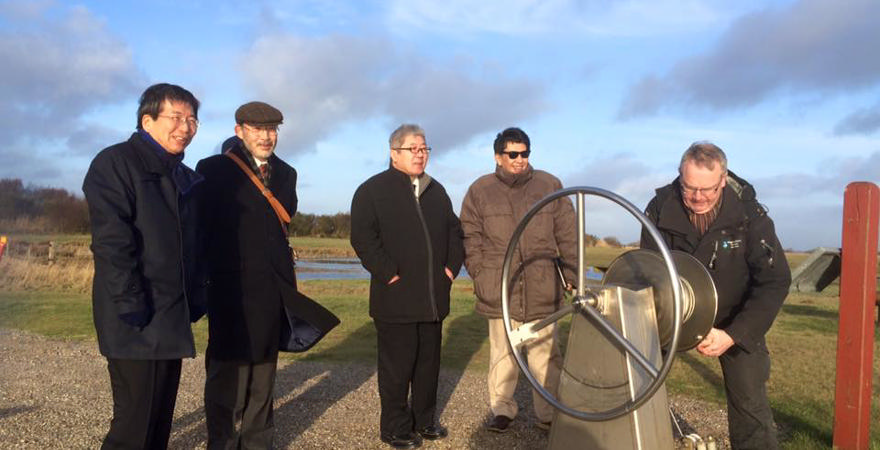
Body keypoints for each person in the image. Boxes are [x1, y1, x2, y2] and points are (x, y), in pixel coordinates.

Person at [196, 101, 338, 448]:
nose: (266, 136)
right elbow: (201, 230)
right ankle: (221, 442)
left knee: (264, 371)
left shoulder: (287, 174)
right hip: (229, 288)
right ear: (239, 131)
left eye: (272, 129)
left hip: (273, 288)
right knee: (227, 373)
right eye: (257, 129)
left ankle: (258, 442)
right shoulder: (213, 169)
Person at [641, 142, 791, 449]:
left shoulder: (751, 215)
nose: (698, 197)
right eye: (689, 188)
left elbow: (774, 281)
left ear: (723, 180)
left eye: (707, 189)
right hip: (674, 314)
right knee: (636, 379)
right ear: (680, 176)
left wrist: (734, 335)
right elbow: (648, 270)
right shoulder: (658, 208)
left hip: (735, 318)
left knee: (749, 401)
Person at [82, 83, 207, 449]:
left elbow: (191, 246)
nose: (185, 127)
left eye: (192, 120)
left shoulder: (181, 175)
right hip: (136, 316)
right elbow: (112, 243)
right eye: (176, 117)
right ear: (147, 121)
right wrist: (130, 303)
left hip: (170, 315)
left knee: (158, 423)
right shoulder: (115, 163)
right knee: (133, 427)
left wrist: (196, 297)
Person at [350, 124, 464, 449]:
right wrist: (389, 274)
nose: (420, 154)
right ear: (394, 153)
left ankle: (424, 421)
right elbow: (363, 238)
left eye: (424, 148)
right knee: (397, 370)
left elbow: (455, 234)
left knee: (428, 366)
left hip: (433, 300)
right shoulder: (372, 191)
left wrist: (449, 271)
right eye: (412, 149)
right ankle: (395, 428)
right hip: (395, 299)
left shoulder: (437, 191)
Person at [459, 127, 576, 433]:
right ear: (498, 157)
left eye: (524, 153)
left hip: (543, 284)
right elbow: (469, 236)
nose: (519, 159)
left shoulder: (550, 185)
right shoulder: (480, 190)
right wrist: (479, 273)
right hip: (499, 286)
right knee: (503, 355)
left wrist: (573, 274)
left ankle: (548, 413)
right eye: (513, 154)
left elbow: (568, 235)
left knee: (546, 356)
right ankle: (502, 409)